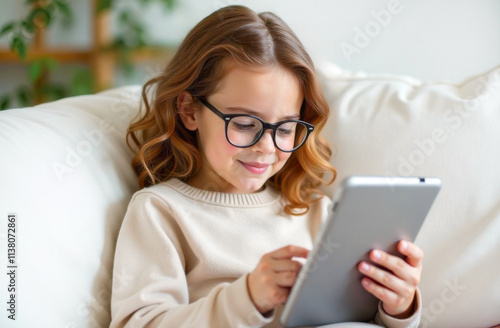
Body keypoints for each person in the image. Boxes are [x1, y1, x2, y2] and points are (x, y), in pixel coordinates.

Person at [110, 5, 423, 328]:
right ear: (190, 110)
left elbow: (351, 315)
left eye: (285, 129)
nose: (267, 147)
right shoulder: (162, 211)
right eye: (245, 123)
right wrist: (246, 298)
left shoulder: (317, 213)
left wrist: (398, 306)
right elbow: (139, 323)